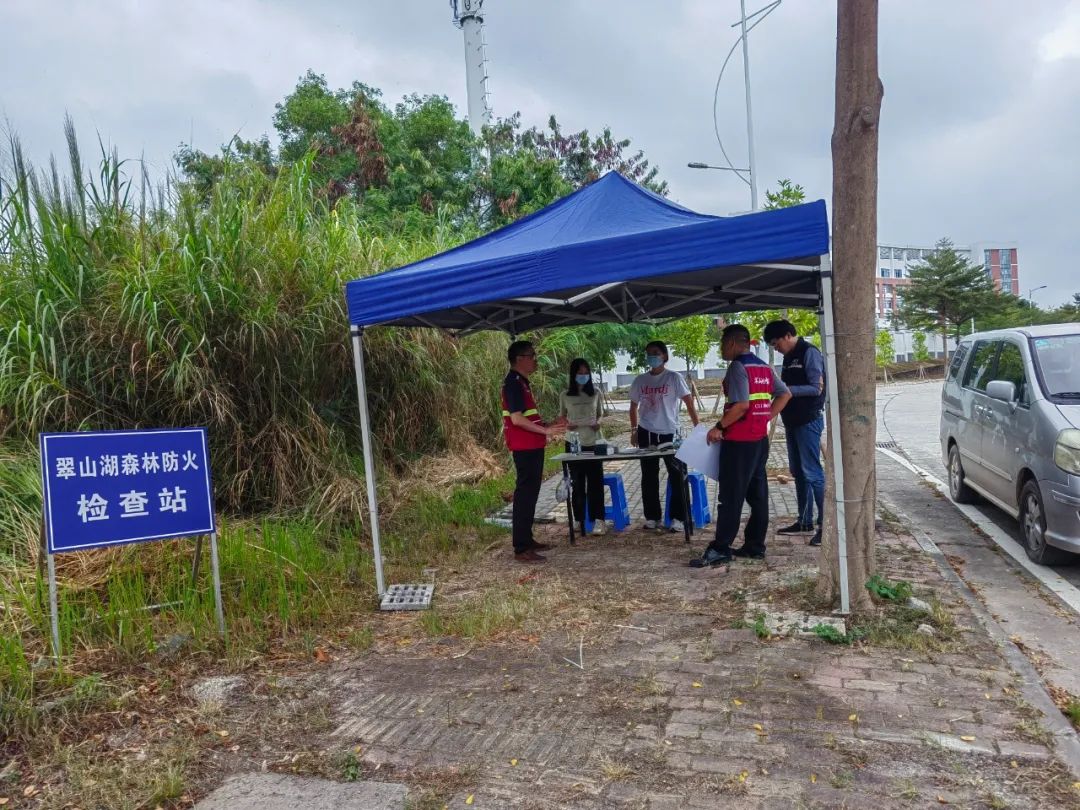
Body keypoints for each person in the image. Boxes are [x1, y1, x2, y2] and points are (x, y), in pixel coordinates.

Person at [690, 324, 791, 567]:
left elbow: (741, 405)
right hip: (758, 441)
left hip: (738, 443)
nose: (721, 348)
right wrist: (764, 417)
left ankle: (720, 548)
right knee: (758, 496)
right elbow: (785, 394)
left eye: (723, 343)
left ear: (734, 343)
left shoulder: (738, 367)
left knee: (730, 497)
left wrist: (719, 428)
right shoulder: (762, 366)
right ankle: (755, 546)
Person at [763, 319, 827, 546]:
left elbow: (815, 387)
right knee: (797, 471)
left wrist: (786, 390)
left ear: (788, 335)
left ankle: (826, 526)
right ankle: (804, 520)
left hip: (808, 420)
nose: (775, 348)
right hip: (791, 421)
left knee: (813, 472)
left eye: (775, 343)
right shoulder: (789, 357)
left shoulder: (809, 353)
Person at [502, 341, 565, 563]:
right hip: (524, 447)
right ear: (520, 359)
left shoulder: (522, 383)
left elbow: (529, 418)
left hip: (533, 446)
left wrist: (550, 424)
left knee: (531, 495)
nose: (536, 360)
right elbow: (517, 419)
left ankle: (527, 540)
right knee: (524, 496)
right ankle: (521, 547)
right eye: (532, 356)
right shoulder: (513, 384)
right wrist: (546, 430)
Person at [629, 340, 700, 532]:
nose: (652, 356)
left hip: (670, 433)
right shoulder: (640, 380)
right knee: (648, 476)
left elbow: (689, 402)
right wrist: (634, 430)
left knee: (677, 475)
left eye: (656, 353)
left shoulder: (674, 378)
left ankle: (678, 518)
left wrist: (697, 428)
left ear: (665, 356)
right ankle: (652, 518)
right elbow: (633, 407)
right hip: (646, 433)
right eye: (649, 353)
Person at [559, 358, 606, 536]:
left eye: (586, 373)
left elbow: (601, 415)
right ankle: (579, 520)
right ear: (573, 375)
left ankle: (598, 520)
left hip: (593, 443)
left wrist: (598, 423)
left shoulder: (596, 392)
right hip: (573, 443)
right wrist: (567, 425)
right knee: (577, 483)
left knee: (595, 483)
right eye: (580, 373)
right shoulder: (565, 395)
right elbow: (562, 417)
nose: (583, 376)